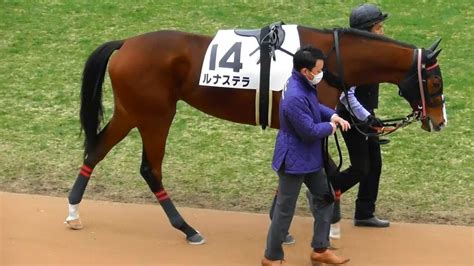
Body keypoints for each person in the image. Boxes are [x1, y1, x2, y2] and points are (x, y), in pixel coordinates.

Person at [261, 46, 350, 266]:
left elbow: (314, 106)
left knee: (326, 198)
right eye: (318, 69)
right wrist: (330, 127)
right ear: (305, 71)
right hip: (293, 161)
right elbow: (309, 132)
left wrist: (333, 115)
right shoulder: (294, 97)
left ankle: (320, 249)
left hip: (310, 159)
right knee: (284, 210)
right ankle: (271, 258)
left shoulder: (303, 85)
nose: (321, 73)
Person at [326, 3, 391, 233]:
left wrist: (371, 116)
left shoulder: (369, 52)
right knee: (361, 167)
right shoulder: (352, 58)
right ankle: (326, 192)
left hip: (365, 116)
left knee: (375, 164)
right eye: (378, 28)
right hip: (351, 118)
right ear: (366, 31)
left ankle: (365, 212)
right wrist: (366, 118)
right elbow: (346, 95)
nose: (382, 32)